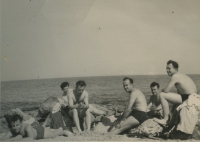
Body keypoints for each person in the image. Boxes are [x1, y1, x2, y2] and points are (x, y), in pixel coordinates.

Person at [154, 60, 197, 125]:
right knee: (174, 106)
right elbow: (180, 94)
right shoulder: (181, 75)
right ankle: (170, 122)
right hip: (194, 97)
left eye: (169, 68)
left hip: (189, 97)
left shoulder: (175, 76)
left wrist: (162, 90)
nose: (167, 70)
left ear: (175, 69)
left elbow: (166, 91)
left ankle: (165, 119)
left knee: (162, 95)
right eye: (166, 68)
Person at [0, 114, 73, 141]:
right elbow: (2, 139)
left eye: (17, 125)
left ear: (21, 123)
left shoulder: (26, 127)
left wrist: (14, 140)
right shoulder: (12, 130)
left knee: (53, 134)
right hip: (34, 129)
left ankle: (62, 130)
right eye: (13, 126)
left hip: (39, 132)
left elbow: (31, 138)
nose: (15, 128)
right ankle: (50, 129)